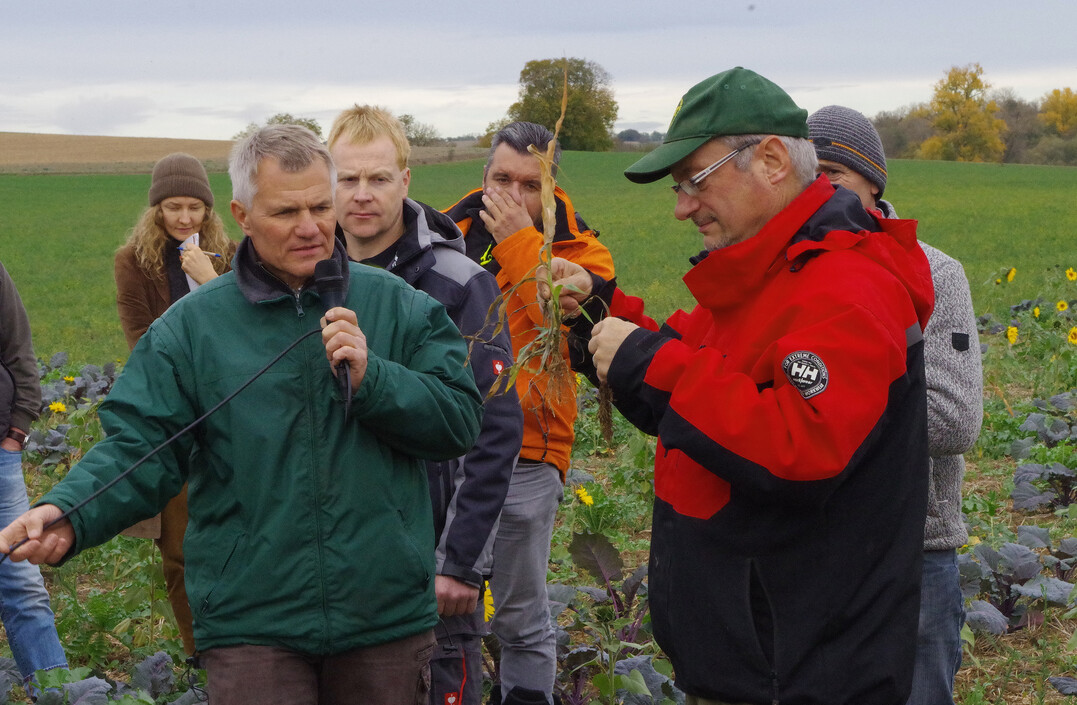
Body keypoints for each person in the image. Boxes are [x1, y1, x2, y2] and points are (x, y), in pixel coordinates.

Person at [0, 124, 483, 705]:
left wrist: (373, 378)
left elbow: (459, 420)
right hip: (252, 624)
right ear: (242, 215)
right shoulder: (190, 329)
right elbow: (142, 447)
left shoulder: (399, 306)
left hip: (383, 618)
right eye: (286, 212)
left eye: (320, 207)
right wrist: (69, 511)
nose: (310, 227)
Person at [545, 68, 935, 705]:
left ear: (772, 160)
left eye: (694, 180)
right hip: (748, 663)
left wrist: (646, 361)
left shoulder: (845, 286)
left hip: (802, 674)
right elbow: (693, 384)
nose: (682, 207)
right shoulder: (763, 273)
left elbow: (798, 448)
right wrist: (598, 313)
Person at [327, 105, 523, 705]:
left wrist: (459, 561)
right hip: (329, 567)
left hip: (427, 567)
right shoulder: (305, 280)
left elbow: (493, 426)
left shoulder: (457, 282)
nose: (362, 194)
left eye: (379, 178)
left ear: (406, 180)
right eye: (347, 178)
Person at [807, 104, 983, 705]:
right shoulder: (787, 271)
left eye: (833, 173)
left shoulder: (936, 272)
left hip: (916, 548)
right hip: (808, 543)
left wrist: (820, 406)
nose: (818, 189)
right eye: (807, 174)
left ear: (874, 184)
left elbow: (954, 419)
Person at [444, 121, 615, 705]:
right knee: (450, 603)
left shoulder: (582, 253)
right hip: (448, 448)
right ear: (483, 177)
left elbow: (556, 327)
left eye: (530, 184)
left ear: (552, 187)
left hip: (530, 450)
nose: (513, 196)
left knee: (520, 614)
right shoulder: (444, 234)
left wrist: (520, 241)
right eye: (502, 180)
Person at [114, 152, 238, 657]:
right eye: (173, 207)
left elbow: (253, 330)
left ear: (209, 209)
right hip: (173, 422)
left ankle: (245, 645)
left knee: (242, 537)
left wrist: (211, 281)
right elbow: (143, 343)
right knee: (180, 550)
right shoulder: (133, 262)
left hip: (234, 417)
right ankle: (197, 655)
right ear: (157, 210)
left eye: (194, 207)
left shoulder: (231, 256)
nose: (185, 218)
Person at [0, 261, 68, 698]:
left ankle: (57, 694)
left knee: (22, 583)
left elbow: (18, 351)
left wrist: (17, 431)